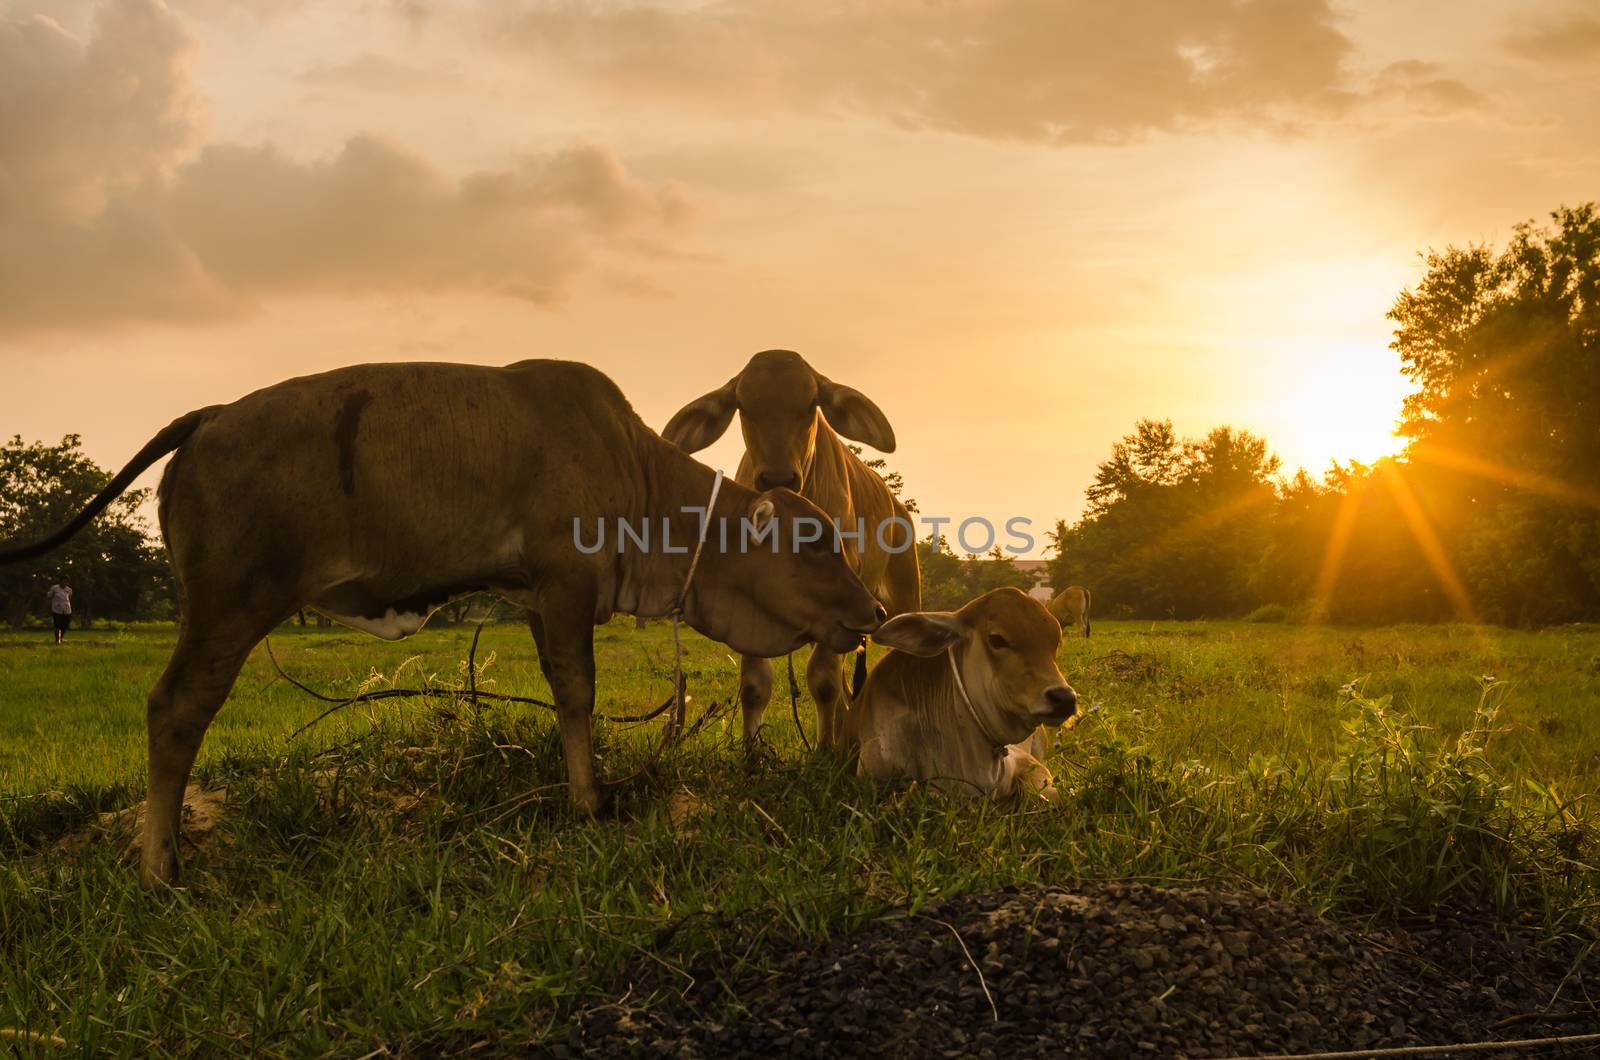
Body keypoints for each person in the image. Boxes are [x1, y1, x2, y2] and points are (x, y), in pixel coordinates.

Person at [47, 577, 73, 644]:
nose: (65, 583)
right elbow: (49, 596)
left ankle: (61, 638)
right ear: (60, 582)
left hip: (66, 610)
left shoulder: (69, 590)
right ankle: (57, 640)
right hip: (56, 609)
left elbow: (69, 598)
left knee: (65, 625)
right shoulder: (54, 588)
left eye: (66, 582)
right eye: (63, 581)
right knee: (57, 625)